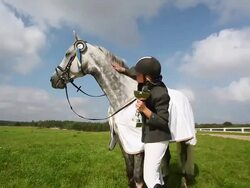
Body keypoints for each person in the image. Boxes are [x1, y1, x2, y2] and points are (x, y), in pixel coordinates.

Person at [112, 56, 171, 188]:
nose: (135, 75)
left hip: (157, 138)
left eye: (138, 74)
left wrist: (145, 110)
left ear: (147, 76)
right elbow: (133, 74)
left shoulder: (160, 93)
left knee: (149, 178)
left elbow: (163, 121)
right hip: (150, 136)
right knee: (157, 176)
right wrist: (123, 70)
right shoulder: (148, 83)